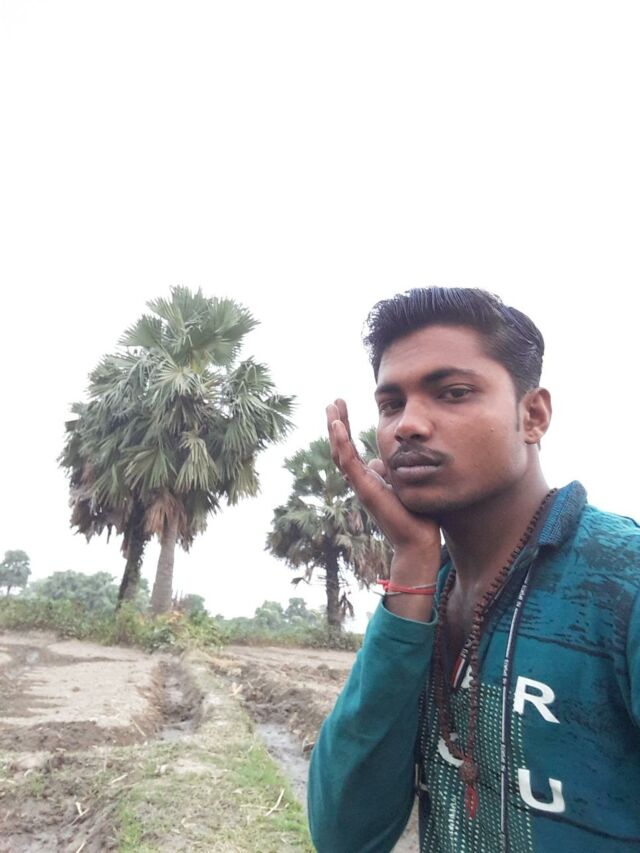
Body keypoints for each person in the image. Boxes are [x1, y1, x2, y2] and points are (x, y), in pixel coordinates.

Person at [307, 287, 640, 853]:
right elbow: (346, 835)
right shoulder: (423, 598)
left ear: (533, 415)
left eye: (453, 393)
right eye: (391, 404)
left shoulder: (622, 582)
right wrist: (412, 565)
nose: (408, 425)